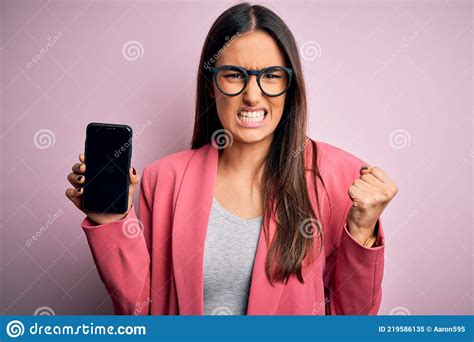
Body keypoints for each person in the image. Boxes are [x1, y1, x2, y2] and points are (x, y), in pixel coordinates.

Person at [65, 3, 398, 315]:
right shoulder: (163, 179)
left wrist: (362, 230)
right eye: (234, 75)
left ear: (290, 84)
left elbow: (352, 320)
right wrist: (110, 220)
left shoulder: (339, 177)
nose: (252, 95)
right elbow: (143, 312)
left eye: (271, 75)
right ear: (212, 85)